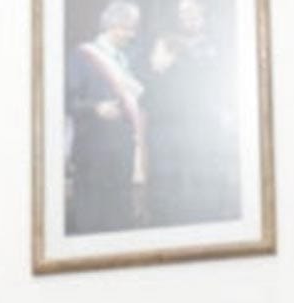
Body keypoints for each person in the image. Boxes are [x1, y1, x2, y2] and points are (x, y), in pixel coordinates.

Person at [143, 0, 240, 226]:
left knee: (207, 172)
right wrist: (161, 64)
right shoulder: (165, 42)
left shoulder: (217, 45)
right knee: (173, 175)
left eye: (194, 12)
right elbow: (153, 79)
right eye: (184, 12)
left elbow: (223, 83)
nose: (189, 16)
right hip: (173, 123)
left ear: (203, 15)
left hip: (207, 122)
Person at [65, 1, 146, 234]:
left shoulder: (125, 61)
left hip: (121, 152)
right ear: (113, 26)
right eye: (129, 28)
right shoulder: (82, 56)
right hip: (93, 152)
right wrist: (96, 108)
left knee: (118, 219)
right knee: (93, 219)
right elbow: (67, 102)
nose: (132, 35)